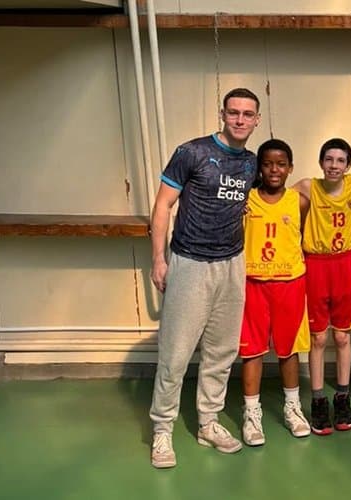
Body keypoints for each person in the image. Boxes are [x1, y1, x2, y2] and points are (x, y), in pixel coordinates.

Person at [148, 88, 260, 468]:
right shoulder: (191, 152)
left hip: (231, 264)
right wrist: (158, 260)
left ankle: (208, 422)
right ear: (223, 115)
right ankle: (162, 430)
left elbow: (263, 199)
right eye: (234, 113)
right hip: (190, 263)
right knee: (176, 354)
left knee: (221, 351)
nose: (240, 120)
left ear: (256, 120)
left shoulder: (251, 163)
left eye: (247, 114)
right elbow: (162, 204)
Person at [239, 139, 312, 446]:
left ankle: (293, 408)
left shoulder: (299, 201)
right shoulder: (246, 199)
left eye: (281, 164)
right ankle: (251, 413)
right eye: (268, 163)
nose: (274, 169)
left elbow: (300, 235)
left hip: (290, 283)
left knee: (288, 348)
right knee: (252, 350)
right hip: (253, 282)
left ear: (290, 168)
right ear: (259, 167)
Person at [292, 139, 351, 435]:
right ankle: (319, 399)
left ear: (348, 165)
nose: (334, 165)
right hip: (316, 265)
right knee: (319, 338)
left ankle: (343, 397)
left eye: (340, 160)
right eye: (329, 159)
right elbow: (271, 196)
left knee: (343, 337)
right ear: (321, 162)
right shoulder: (308, 187)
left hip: (344, 264)